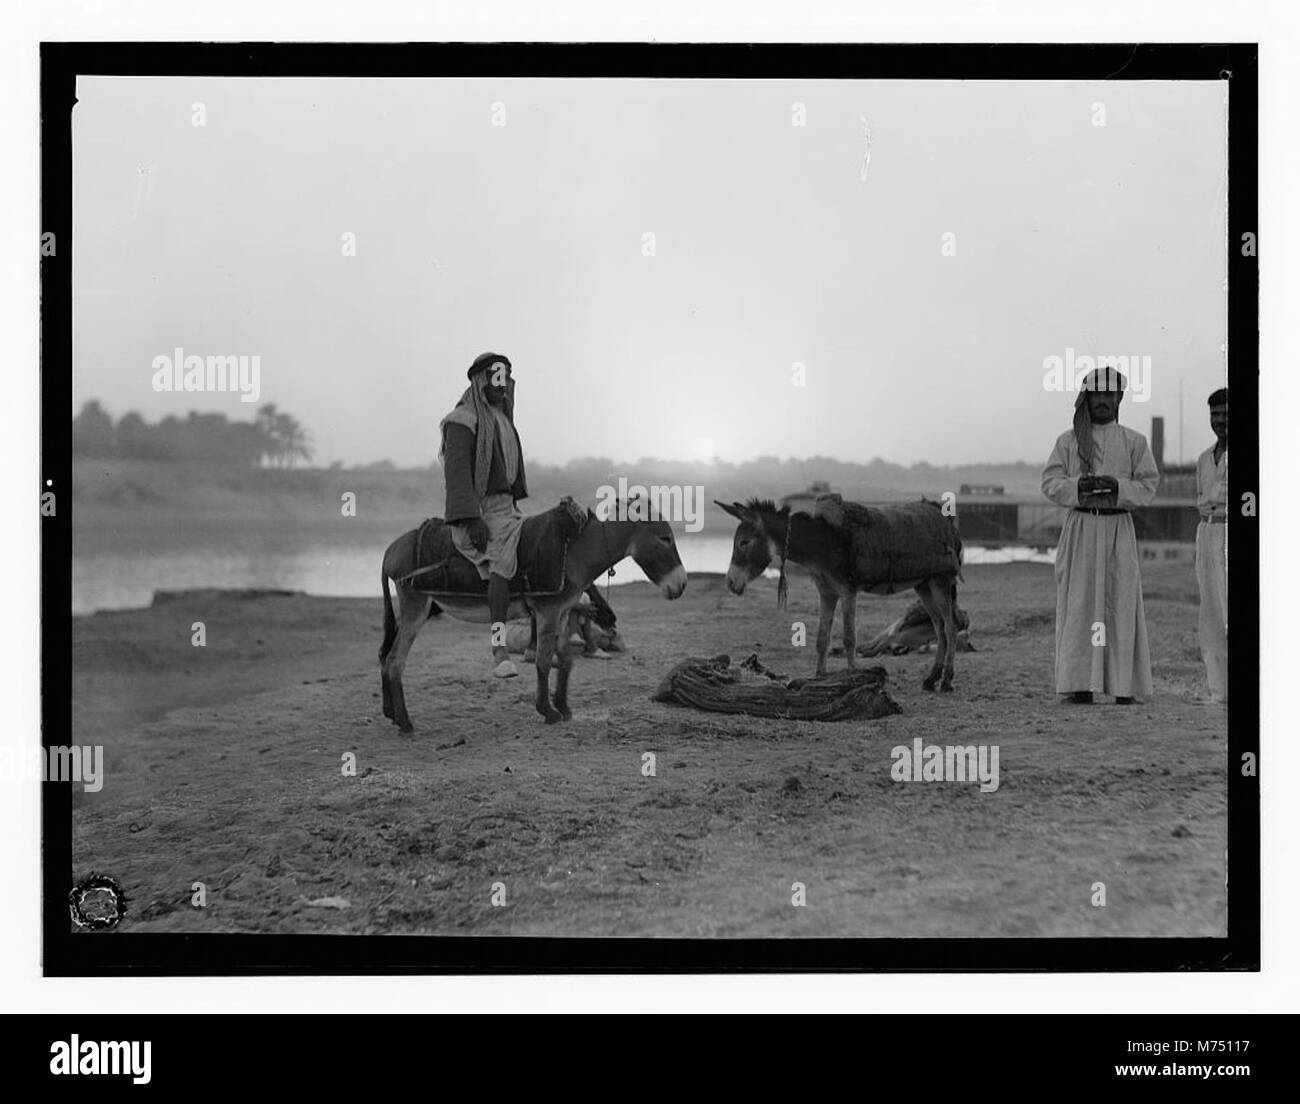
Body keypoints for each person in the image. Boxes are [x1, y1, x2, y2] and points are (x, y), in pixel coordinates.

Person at [1041, 365, 1160, 703]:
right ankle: (1079, 686)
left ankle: (1124, 687)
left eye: (1110, 395)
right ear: (1087, 399)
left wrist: (1117, 486)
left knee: (1120, 604)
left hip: (1118, 531)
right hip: (1080, 530)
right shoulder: (1067, 441)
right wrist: (1079, 486)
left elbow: (1148, 486)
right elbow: (1049, 482)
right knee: (1080, 606)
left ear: (1119, 398)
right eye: (1097, 395)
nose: (1103, 401)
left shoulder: (1134, 441)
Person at [440, 351, 528, 678]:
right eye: (496, 378)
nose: (502, 385)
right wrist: (471, 517)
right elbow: (458, 473)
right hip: (481, 511)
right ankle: (499, 648)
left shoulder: (502, 418)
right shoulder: (462, 420)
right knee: (501, 564)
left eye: (506, 378)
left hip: (509, 509)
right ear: (480, 380)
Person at [1194, 388, 1228, 703]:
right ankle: (1219, 689)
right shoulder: (1205, 458)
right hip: (1207, 534)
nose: (1220, 421)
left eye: (1226, 414)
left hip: (1233, 533)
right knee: (1211, 612)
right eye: (1215, 415)